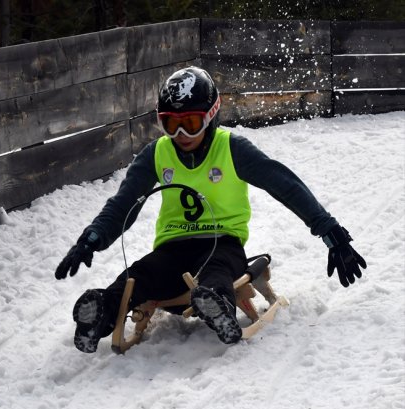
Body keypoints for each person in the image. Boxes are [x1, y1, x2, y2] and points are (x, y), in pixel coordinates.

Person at [55, 66, 367, 353]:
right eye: (170, 124)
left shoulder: (231, 148)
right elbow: (124, 203)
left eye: (190, 124)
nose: (181, 136)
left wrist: (331, 232)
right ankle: (101, 312)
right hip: (173, 248)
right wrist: (91, 240)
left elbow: (284, 185)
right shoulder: (157, 154)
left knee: (217, 270)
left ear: (210, 116)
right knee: (140, 274)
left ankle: (216, 303)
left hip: (222, 241)